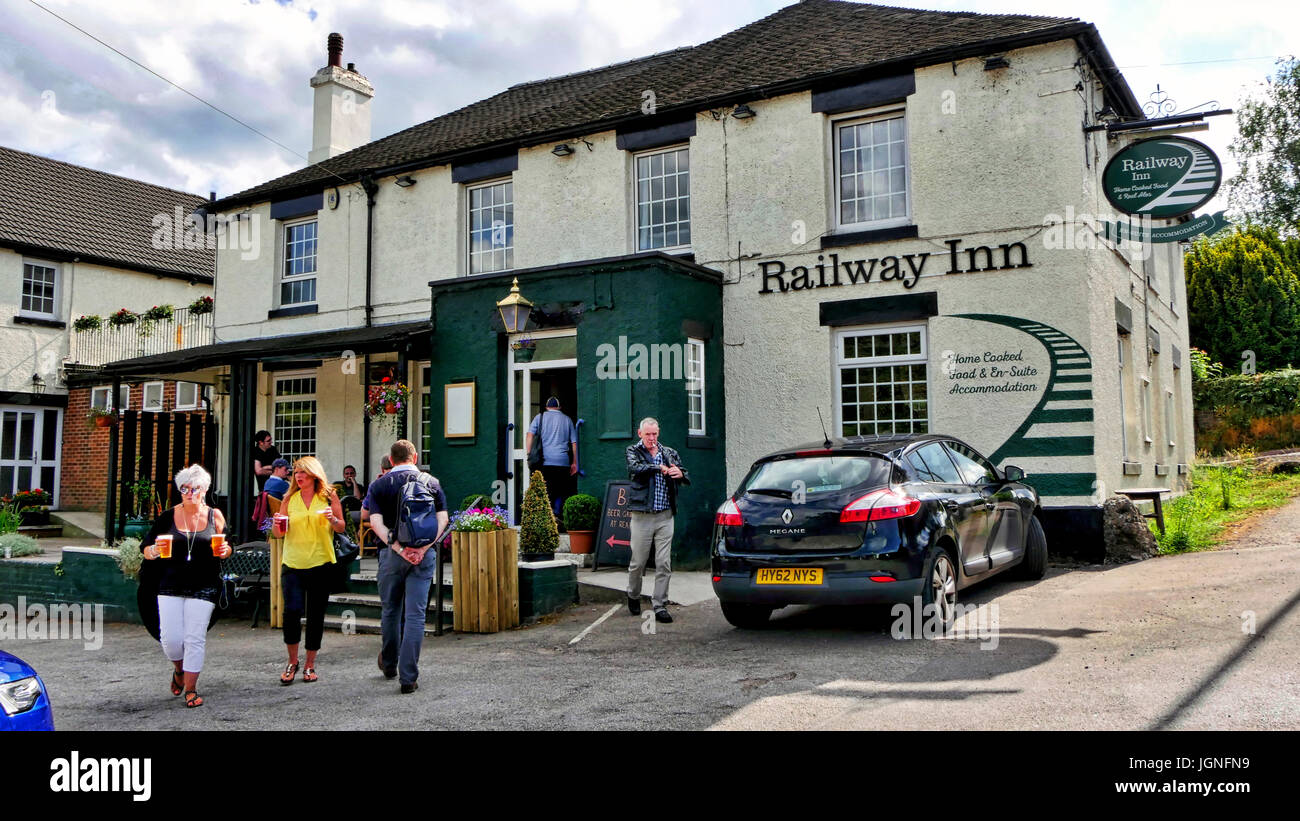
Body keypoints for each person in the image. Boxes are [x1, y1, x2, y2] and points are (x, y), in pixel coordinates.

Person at [140, 464, 232, 708]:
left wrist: (225, 550)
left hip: (205, 585)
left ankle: (191, 689)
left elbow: (227, 546)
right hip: (170, 583)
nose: (190, 492)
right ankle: (179, 670)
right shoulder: (167, 517)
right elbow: (146, 548)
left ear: (205, 490)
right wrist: (152, 551)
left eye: (196, 488)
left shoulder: (215, 516)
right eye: (185, 488)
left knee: (194, 638)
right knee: (170, 639)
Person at [364, 439, 448, 694]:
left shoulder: (379, 485)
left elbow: (374, 522)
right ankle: (408, 678)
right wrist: (421, 549)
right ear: (415, 457)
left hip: (391, 556)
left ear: (391, 460)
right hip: (423, 557)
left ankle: (389, 664)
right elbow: (442, 519)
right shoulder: (432, 483)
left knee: (390, 610)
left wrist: (399, 549)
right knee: (415, 615)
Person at [272, 456, 344, 685]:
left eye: (303, 473)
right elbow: (279, 534)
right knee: (291, 613)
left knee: (315, 615)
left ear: (314, 475)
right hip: (293, 563)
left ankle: (310, 664)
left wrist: (333, 519)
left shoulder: (328, 496)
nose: (298, 477)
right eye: (295, 473)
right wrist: (277, 524)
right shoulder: (288, 499)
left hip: (320, 563)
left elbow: (341, 526)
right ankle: (292, 661)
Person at [624, 417, 689, 624]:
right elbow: (635, 469)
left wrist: (680, 473)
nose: (652, 438)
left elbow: (684, 473)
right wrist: (657, 467)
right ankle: (633, 594)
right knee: (638, 562)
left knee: (664, 562)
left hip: (665, 515)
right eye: (648, 434)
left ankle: (660, 604)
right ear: (640, 433)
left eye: (655, 434)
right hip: (642, 515)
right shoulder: (633, 451)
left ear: (658, 433)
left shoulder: (669, 452)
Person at [525, 397, 578, 522]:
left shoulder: (540, 417)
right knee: (561, 490)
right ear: (559, 407)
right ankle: (557, 513)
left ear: (547, 407)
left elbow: (529, 435)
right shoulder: (567, 419)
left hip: (545, 461)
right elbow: (574, 443)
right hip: (563, 462)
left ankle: (547, 517)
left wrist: (529, 454)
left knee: (546, 490)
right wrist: (574, 462)